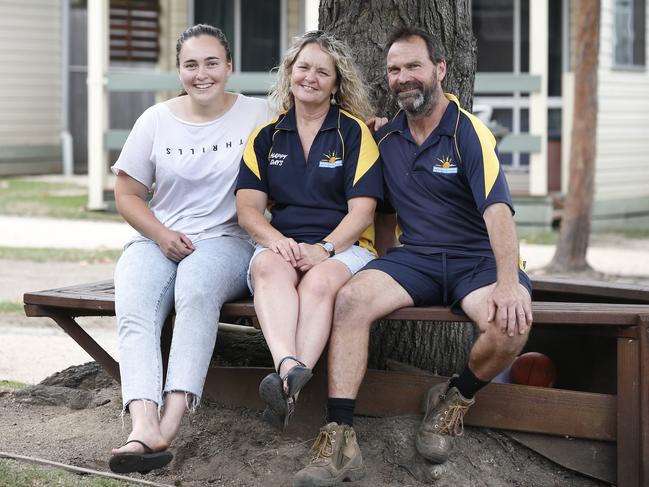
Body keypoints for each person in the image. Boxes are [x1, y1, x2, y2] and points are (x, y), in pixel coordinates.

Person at [293, 26, 533, 486]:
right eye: (394, 69)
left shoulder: (468, 132)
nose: (403, 77)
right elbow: (380, 210)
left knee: (509, 325)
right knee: (350, 300)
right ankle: (339, 436)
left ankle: (452, 399)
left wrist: (507, 283)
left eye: (413, 66)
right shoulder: (383, 138)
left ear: (440, 69)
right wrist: (385, 261)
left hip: (477, 260)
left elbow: (499, 212)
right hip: (417, 257)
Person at [108, 24, 273, 474]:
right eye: (191, 65)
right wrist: (160, 235)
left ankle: (170, 422)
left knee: (196, 290)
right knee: (136, 301)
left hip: (226, 240)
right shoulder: (155, 119)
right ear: (179, 70)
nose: (202, 74)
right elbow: (127, 194)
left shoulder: (261, 113)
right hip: (158, 237)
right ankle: (142, 424)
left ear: (230, 67)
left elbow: (318, 119)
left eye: (212, 63)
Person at [235, 31, 383, 430]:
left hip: (345, 246)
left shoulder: (353, 133)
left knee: (319, 283)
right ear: (289, 73)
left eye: (322, 71)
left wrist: (326, 249)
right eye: (303, 68)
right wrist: (276, 241)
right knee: (268, 269)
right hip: (284, 241)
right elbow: (248, 211)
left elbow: (363, 212)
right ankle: (289, 364)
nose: (310, 77)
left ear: (337, 83)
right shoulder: (267, 136)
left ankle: (286, 389)